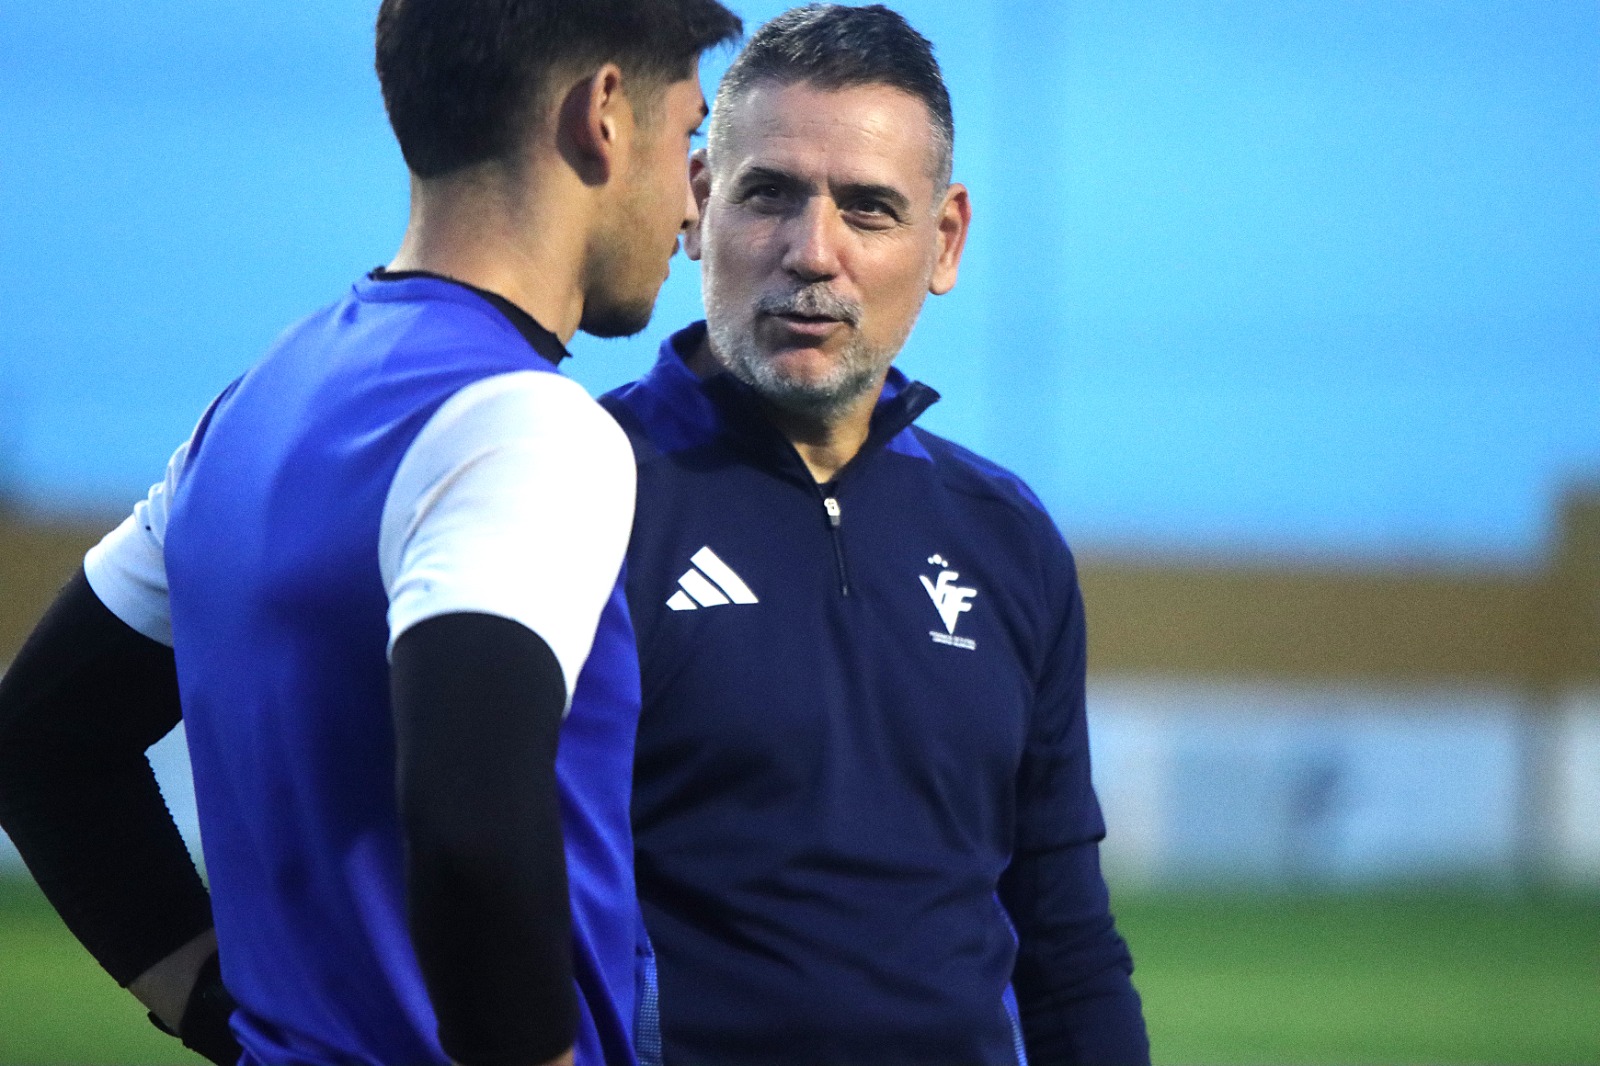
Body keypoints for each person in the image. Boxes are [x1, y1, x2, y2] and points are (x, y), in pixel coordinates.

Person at [0, 1, 739, 1064]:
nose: (692, 201)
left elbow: (41, 742)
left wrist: (216, 1009)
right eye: (690, 134)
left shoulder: (256, 404)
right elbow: (473, 825)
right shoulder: (526, 424)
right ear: (605, 114)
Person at [601, 6, 1150, 1065]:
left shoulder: (1007, 537)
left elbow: (1067, 944)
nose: (814, 254)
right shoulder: (578, 491)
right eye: (768, 195)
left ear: (942, 240)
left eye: (867, 208)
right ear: (697, 202)